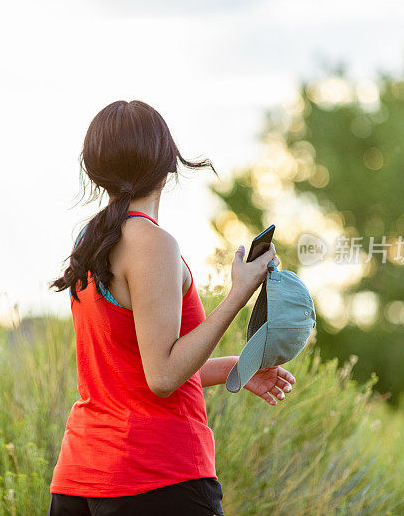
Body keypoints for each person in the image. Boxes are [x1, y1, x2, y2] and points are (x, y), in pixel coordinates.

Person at [48, 100, 297, 516]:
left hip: (80, 480)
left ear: (95, 168)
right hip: (157, 478)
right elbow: (162, 377)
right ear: (167, 166)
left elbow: (142, 368)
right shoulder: (153, 244)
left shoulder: (91, 241)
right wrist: (239, 293)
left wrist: (237, 367)